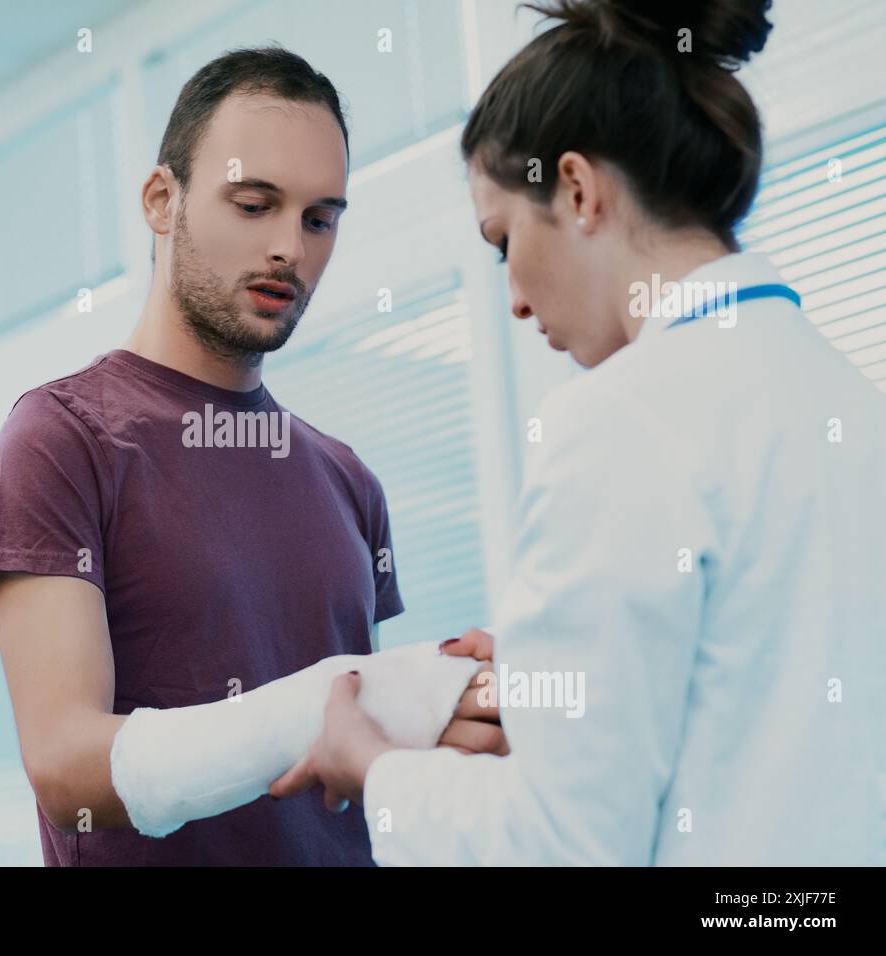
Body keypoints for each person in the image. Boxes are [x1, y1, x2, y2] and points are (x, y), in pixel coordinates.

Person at [272, 0, 886, 865]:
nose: (515, 298)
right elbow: (756, 719)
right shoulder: (849, 402)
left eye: (502, 241)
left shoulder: (620, 421)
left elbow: (561, 846)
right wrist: (553, 686)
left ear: (576, 189)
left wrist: (372, 768)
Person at [0, 47, 500, 867]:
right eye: (254, 204)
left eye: (320, 219)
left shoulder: (347, 478)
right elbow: (64, 769)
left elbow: (346, 763)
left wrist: (461, 707)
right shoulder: (62, 440)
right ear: (161, 200)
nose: (290, 248)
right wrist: (330, 704)